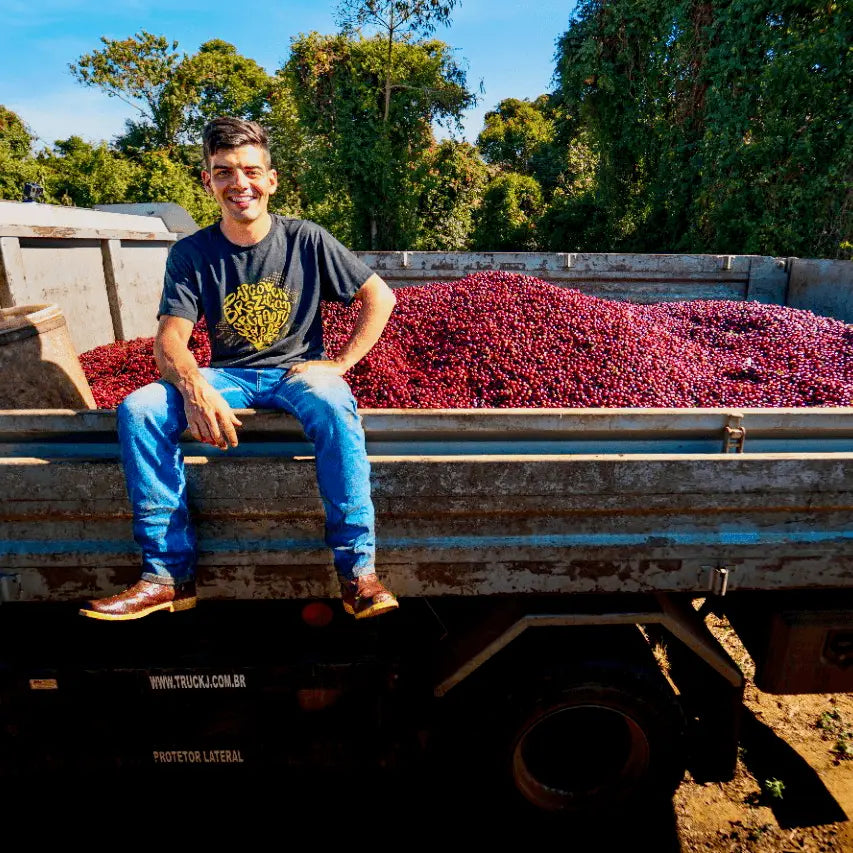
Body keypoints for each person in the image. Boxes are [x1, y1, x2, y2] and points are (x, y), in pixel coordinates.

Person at [80, 117, 399, 622]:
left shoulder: (307, 240)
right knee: (139, 410)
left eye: (251, 170)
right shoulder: (192, 253)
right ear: (208, 181)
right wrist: (194, 388)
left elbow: (378, 295)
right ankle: (166, 575)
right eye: (224, 171)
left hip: (297, 373)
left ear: (272, 180)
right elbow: (170, 338)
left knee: (336, 406)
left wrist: (338, 363)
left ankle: (357, 572)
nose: (239, 184)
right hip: (226, 375)